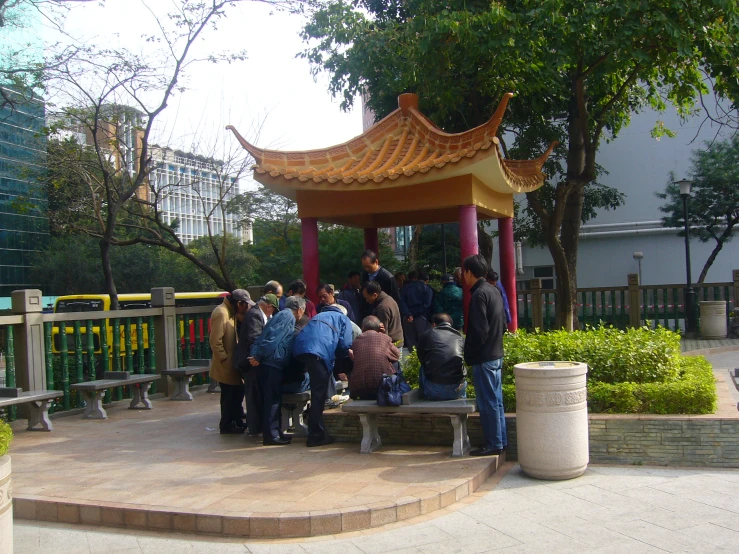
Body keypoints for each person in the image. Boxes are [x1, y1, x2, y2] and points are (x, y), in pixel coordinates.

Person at [462, 254, 507, 457]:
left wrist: (469, 354)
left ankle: (493, 443)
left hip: (485, 357)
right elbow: (504, 324)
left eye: (464, 272)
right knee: (496, 401)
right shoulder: (494, 291)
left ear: (469, 272)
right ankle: (500, 440)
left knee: (488, 402)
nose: (463, 276)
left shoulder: (479, 294)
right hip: (496, 354)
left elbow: (479, 332)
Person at [248, 295, 306, 445]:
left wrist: (256, 355)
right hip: (272, 363)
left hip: (268, 363)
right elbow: (273, 338)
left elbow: (262, 336)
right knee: (272, 400)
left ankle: (276, 431)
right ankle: (272, 435)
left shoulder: (279, 315)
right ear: (299, 309)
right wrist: (259, 356)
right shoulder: (288, 317)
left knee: (273, 399)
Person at [293, 304, 353, 447]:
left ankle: (314, 427)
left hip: (300, 350)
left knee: (316, 390)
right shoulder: (342, 318)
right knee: (318, 395)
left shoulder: (318, 316)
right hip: (318, 353)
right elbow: (345, 344)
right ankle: (316, 435)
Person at [209, 290, 254, 435]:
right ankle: (227, 424)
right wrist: (224, 358)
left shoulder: (231, 312)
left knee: (237, 393)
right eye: (245, 305)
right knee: (228, 396)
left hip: (232, 362)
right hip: (226, 364)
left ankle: (236, 420)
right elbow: (215, 341)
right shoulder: (221, 313)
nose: (246, 309)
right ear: (239, 303)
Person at [236, 294, 278, 436]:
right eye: (273, 310)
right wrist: (259, 355)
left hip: (255, 361)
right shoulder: (254, 315)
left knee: (257, 395)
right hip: (250, 362)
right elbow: (254, 338)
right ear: (268, 306)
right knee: (253, 396)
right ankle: (254, 428)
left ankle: (257, 427)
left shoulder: (258, 314)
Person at [348, 316, 400, 400]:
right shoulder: (384, 338)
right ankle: (394, 391)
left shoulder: (356, 341)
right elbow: (397, 355)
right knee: (396, 363)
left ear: (363, 327)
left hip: (359, 388)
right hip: (381, 385)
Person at [417, 313, 466, 400]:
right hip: (458, 390)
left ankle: (424, 398)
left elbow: (421, 358)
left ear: (434, 324)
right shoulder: (460, 336)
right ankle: (462, 406)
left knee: (422, 368)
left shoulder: (427, 335)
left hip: (435, 391)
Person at [362, 280, 404, 345]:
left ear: (375, 295)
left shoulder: (382, 308)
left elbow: (383, 333)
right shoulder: (389, 299)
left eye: (367, 298)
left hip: (391, 344)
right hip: (397, 340)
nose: (366, 300)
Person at [360, 249, 400, 317]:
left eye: (368, 266)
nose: (366, 269)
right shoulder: (365, 275)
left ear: (376, 262)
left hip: (383, 313)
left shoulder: (388, 278)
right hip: (368, 313)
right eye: (364, 267)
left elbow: (395, 299)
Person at [399, 271, 433, 349]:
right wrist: (414, 313)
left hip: (408, 318)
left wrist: (408, 314)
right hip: (421, 317)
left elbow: (402, 302)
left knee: (411, 341)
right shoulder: (427, 289)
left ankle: (412, 359)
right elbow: (427, 304)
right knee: (423, 341)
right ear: (427, 280)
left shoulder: (405, 288)